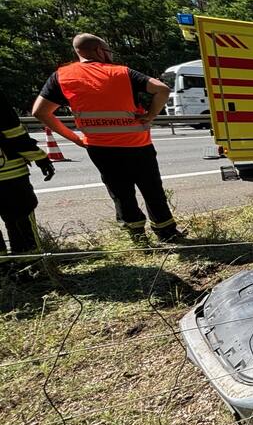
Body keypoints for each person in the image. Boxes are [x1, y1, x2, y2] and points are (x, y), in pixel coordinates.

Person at [31, 33, 184, 244]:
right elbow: (162, 89)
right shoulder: (121, 72)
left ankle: (137, 237)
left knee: (121, 193)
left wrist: (75, 139)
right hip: (137, 144)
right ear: (99, 50)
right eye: (108, 51)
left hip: (100, 148)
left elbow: (40, 112)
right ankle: (168, 234)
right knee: (152, 189)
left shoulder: (62, 76)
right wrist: (150, 115)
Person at [0, 90, 55, 266]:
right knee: (20, 218)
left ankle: (4, 270)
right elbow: (14, 133)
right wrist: (39, 157)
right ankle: (30, 267)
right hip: (8, 174)